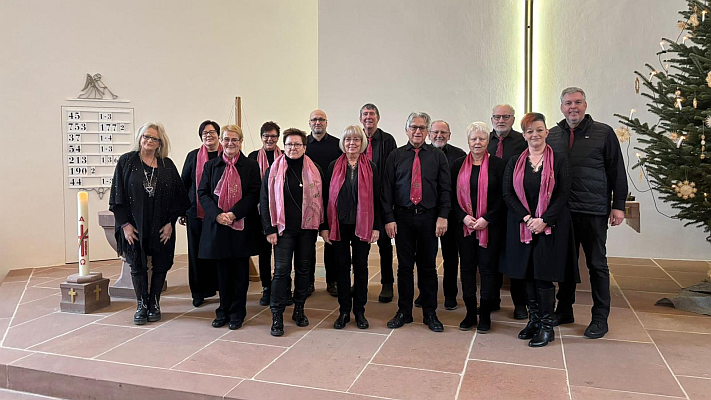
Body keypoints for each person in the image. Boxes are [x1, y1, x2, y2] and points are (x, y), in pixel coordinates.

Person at [546, 87, 628, 339]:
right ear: (561, 107)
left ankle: (600, 317)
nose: (573, 107)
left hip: (593, 210)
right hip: (563, 211)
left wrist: (618, 205)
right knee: (565, 263)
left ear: (585, 105)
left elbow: (617, 171)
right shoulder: (553, 135)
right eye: (568, 103)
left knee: (597, 264)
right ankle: (564, 310)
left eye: (578, 102)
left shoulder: (603, 132)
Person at [501, 112, 577, 347]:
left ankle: (546, 326)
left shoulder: (559, 160)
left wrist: (544, 220)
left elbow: (563, 194)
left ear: (546, 132)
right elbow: (508, 194)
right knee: (526, 275)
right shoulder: (515, 161)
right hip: (523, 227)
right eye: (529, 131)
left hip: (550, 227)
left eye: (539, 130)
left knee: (543, 276)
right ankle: (534, 320)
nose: (535, 134)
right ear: (524, 135)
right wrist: (527, 218)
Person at [110, 122, 189, 325]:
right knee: (137, 264)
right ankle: (142, 305)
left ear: (160, 142)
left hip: (161, 224)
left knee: (160, 264)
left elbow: (179, 197)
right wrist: (125, 225)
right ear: (140, 137)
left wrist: (170, 223)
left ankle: (154, 302)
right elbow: (117, 195)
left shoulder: (167, 164)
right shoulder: (126, 161)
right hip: (134, 224)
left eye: (155, 138)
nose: (149, 141)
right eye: (146, 136)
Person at [382, 112, 451, 332]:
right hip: (402, 217)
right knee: (404, 267)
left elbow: (445, 188)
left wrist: (443, 216)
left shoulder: (437, 156)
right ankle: (404, 311)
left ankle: (430, 313)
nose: (418, 131)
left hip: (429, 217)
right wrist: (389, 218)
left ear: (428, 131)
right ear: (406, 130)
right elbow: (386, 189)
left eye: (422, 128)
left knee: (428, 267)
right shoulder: (395, 156)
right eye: (414, 127)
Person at [261, 128, 325, 337]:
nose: (293, 148)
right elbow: (264, 200)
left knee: (303, 270)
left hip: (307, 230)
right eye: (289, 144)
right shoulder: (273, 170)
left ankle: (299, 308)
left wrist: (323, 226)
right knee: (281, 271)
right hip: (283, 231)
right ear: (284, 146)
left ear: (304, 147)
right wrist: (269, 229)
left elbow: (323, 200)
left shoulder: (315, 169)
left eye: (297, 144)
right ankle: (277, 315)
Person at [198, 125, 261, 330]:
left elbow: (254, 193)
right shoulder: (211, 166)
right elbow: (203, 193)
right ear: (221, 141)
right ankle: (223, 310)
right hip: (218, 226)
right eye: (226, 139)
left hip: (241, 225)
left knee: (240, 272)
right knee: (222, 272)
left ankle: (237, 312)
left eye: (234, 139)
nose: (230, 143)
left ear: (241, 142)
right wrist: (217, 215)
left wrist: (234, 214)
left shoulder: (250, 166)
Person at [321, 125, 381, 330]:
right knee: (342, 268)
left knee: (361, 267)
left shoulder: (371, 167)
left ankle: (360, 311)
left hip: (363, 225)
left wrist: (376, 227)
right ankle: (344, 311)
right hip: (339, 225)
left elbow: (377, 199)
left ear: (362, 143)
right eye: (348, 139)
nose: (352, 143)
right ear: (343, 143)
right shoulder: (333, 166)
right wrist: (325, 226)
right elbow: (326, 198)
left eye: (356, 139)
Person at [451, 122, 505, 332]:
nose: (477, 142)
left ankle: (485, 315)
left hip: (489, 227)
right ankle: (470, 312)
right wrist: (463, 217)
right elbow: (450, 195)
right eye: (473, 139)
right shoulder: (457, 165)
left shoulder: (498, 165)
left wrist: (487, 219)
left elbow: (503, 197)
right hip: (464, 227)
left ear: (488, 141)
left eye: (482, 139)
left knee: (488, 270)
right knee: (467, 268)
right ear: (468, 141)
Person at [488, 104, 528, 320]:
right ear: (492, 119)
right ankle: (492, 299)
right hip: (490, 207)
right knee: (491, 254)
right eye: (497, 117)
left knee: (515, 256)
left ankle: (520, 304)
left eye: (505, 117)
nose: (501, 120)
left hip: (514, 207)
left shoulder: (523, 142)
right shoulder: (485, 141)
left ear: (513, 119)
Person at [424, 119, 466, 310]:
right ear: (429, 134)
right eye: (435, 132)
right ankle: (425, 293)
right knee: (426, 256)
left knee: (450, 256)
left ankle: (450, 294)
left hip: (450, 214)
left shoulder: (459, 155)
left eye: (443, 132)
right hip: (426, 214)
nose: (439, 135)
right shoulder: (421, 153)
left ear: (449, 135)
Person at [179, 120, 221, 307]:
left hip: (220, 214)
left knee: (218, 251)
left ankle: (220, 287)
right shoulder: (193, 156)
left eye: (212, 132)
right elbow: (184, 184)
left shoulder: (227, 154)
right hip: (196, 212)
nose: (208, 135)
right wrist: (182, 211)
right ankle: (199, 291)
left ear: (218, 135)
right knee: (196, 253)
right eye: (205, 133)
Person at [360, 103, 398, 303]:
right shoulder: (356, 138)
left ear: (378, 118)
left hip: (382, 198)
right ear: (360, 118)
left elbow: (393, 170)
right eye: (365, 114)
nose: (369, 117)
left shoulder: (387, 140)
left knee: (384, 243)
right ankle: (360, 283)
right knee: (360, 244)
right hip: (361, 200)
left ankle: (387, 283)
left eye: (372, 114)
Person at [247, 121, 289, 306]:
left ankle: (284, 287)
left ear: (278, 138)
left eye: (273, 136)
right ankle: (266, 287)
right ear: (261, 137)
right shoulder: (252, 157)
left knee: (284, 252)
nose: (270, 139)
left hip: (282, 212)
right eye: (266, 136)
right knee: (264, 253)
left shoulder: (286, 156)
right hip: (260, 212)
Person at [305, 109, 342, 296]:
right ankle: (308, 282)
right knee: (308, 243)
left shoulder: (337, 144)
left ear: (326, 122)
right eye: (314, 119)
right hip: (308, 201)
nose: (317, 122)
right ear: (309, 123)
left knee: (331, 242)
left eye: (321, 119)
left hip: (331, 200)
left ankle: (332, 281)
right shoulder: (303, 144)